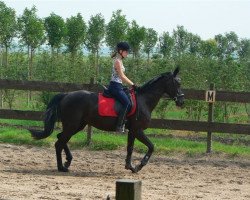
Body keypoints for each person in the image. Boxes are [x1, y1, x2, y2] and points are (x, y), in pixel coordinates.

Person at [108, 42, 136, 133]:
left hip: (118, 85)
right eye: (126, 51)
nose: (127, 53)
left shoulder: (120, 61)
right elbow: (122, 76)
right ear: (120, 51)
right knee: (127, 103)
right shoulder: (117, 61)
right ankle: (119, 126)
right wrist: (133, 84)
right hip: (115, 86)